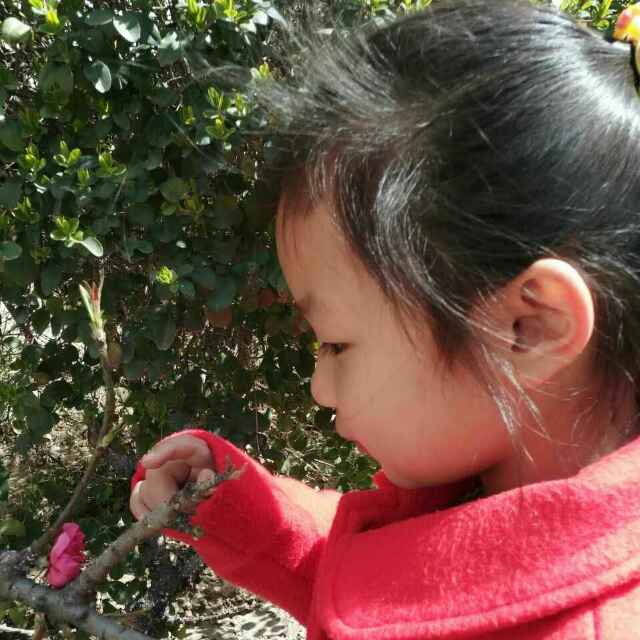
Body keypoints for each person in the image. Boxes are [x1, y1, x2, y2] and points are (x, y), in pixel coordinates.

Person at [130, 1, 640, 637]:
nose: (321, 387)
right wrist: (242, 510)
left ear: (529, 328)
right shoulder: (484, 481)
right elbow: (387, 573)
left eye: (337, 345)